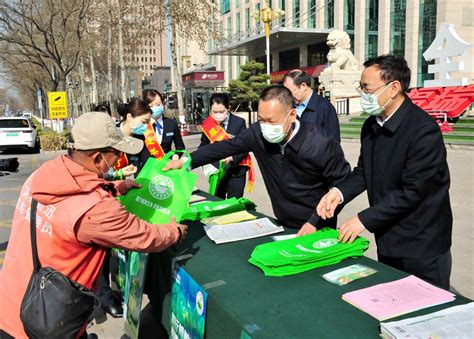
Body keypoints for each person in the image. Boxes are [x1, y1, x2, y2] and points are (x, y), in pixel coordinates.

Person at [0, 112, 187, 338]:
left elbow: (75, 195)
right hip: (44, 321)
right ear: (97, 159)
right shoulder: (96, 209)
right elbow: (145, 236)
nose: (120, 158)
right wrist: (174, 231)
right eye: (117, 153)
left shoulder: (42, 175)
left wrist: (116, 187)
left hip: (12, 300)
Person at [316, 55, 453, 289]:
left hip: (422, 243)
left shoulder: (423, 131)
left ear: (394, 88)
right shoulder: (371, 125)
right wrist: (338, 192)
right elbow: (363, 171)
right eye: (361, 87)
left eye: (367, 87)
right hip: (388, 238)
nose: (363, 93)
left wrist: (363, 219)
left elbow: (413, 192)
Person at [164, 86, 350, 235]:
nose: (266, 127)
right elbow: (226, 147)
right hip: (282, 221)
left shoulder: (320, 143)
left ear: (291, 115)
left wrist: (315, 221)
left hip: (318, 224)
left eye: (271, 121)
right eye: (261, 120)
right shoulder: (257, 133)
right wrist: (186, 161)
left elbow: (342, 185)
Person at [199, 93, 250, 199]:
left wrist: (232, 158)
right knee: (218, 203)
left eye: (221, 111)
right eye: (214, 112)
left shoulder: (239, 122)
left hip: (236, 171)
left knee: (234, 204)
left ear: (228, 108)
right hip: (217, 172)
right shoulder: (208, 124)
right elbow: (203, 145)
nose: (218, 115)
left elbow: (245, 147)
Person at [283, 69, 340, 143]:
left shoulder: (325, 107)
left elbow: (333, 142)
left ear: (303, 86)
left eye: (290, 92)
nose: (289, 96)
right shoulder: (289, 106)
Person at [142, 89, 185, 155]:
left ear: (163, 103)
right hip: (148, 164)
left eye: (158, 104)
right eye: (151, 106)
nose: (155, 108)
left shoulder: (171, 123)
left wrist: (176, 156)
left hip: (168, 163)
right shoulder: (141, 126)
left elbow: (180, 146)